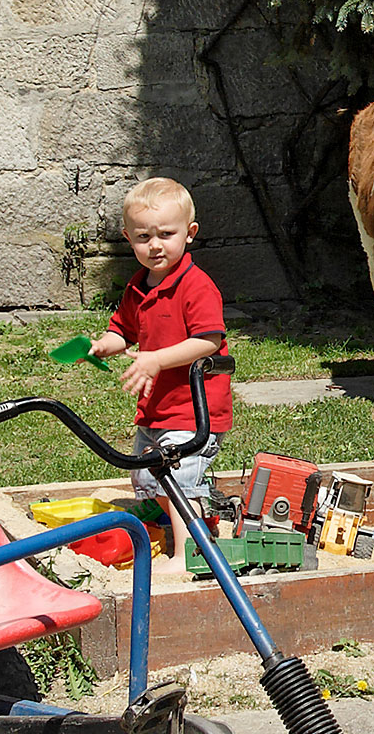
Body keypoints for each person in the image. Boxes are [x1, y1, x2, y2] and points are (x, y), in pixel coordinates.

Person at [90, 177, 232, 575]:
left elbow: (208, 340)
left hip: (193, 409)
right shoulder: (138, 286)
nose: (155, 245)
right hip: (156, 408)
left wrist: (155, 360)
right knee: (148, 476)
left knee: (180, 479)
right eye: (143, 236)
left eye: (166, 234)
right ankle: (167, 532)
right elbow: (124, 329)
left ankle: (188, 555)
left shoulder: (195, 286)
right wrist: (104, 344)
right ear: (127, 238)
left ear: (190, 234)